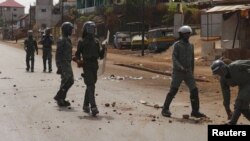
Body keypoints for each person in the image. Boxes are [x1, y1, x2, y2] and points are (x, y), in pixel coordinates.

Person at [161, 25, 206, 118]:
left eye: (189, 34)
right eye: (185, 34)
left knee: (194, 90)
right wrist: (180, 67)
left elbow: (192, 60)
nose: (187, 36)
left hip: (188, 72)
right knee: (173, 90)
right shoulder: (177, 45)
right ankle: (165, 109)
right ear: (181, 35)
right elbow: (174, 58)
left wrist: (191, 72)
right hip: (178, 72)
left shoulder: (191, 46)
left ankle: (195, 111)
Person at [74, 21, 106, 116]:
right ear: (87, 29)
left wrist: (104, 48)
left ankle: (85, 105)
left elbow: (100, 56)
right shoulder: (82, 41)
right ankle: (93, 106)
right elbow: (77, 54)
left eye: (93, 28)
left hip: (94, 66)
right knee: (91, 85)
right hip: (87, 65)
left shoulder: (96, 41)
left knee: (91, 85)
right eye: (91, 28)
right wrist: (79, 61)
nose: (93, 30)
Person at [211, 59, 250, 125]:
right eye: (217, 73)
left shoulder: (236, 66)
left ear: (224, 67)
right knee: (243, 108)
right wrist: (227, 109)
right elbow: (226, 94)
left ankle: (232, 123)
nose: (219, 74)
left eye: (219, 71)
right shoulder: (223, 80)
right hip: (243, 86)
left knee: (240, 101)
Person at [54, 22, 74, 107]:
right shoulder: (62, 39)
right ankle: (59, 97)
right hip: (63, 63)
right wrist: (59, 66)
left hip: (67, 63)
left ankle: (61, 99)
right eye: (70, 29)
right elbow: (58, 54)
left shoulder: (67, 39)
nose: (71, 31)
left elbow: (67, 52)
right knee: (68, 81)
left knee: (66, 81)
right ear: (66, 30)